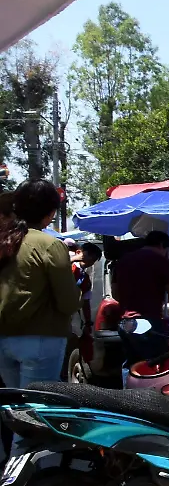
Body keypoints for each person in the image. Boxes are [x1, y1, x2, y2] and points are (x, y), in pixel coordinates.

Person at [0, 181, 80, 445]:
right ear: (50, 213)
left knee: (16, 416)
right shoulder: (49, 244)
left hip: (4, 341)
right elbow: (67, 302)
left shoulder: (5, 240)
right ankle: (20, 483)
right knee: (34, 419)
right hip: (41, 341)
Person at [111, 230, 169, 333]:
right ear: (162, 245)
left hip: (126, 322)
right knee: (154, 348)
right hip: (149, 320)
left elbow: (115, 293)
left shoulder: (123, 260)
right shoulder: (161, 261)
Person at [70, 243, 102, 337]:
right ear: (79, 252)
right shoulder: (69, 266)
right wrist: (76, 258)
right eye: (89, 257)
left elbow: (86, 302)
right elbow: (57, 268)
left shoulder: (86, 279)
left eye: (93, 260)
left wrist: (88, 322)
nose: (89, 261)